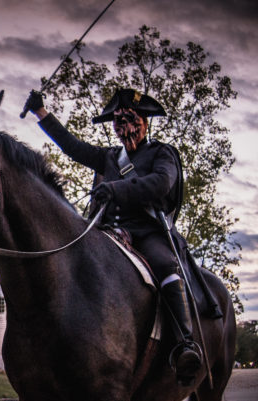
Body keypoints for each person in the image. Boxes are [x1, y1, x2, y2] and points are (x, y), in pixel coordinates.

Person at [23, 88, 202, 386]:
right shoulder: (108, 157)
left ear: (143, 122)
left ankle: (185, 344)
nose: (123, 126)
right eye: (118, 121)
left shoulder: (162, 153)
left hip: (146, 232)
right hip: (107, 232)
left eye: (129, 119)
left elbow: (161, 183)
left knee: (165, 266)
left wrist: (117, 189)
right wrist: (41, 113)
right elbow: (72, 147)